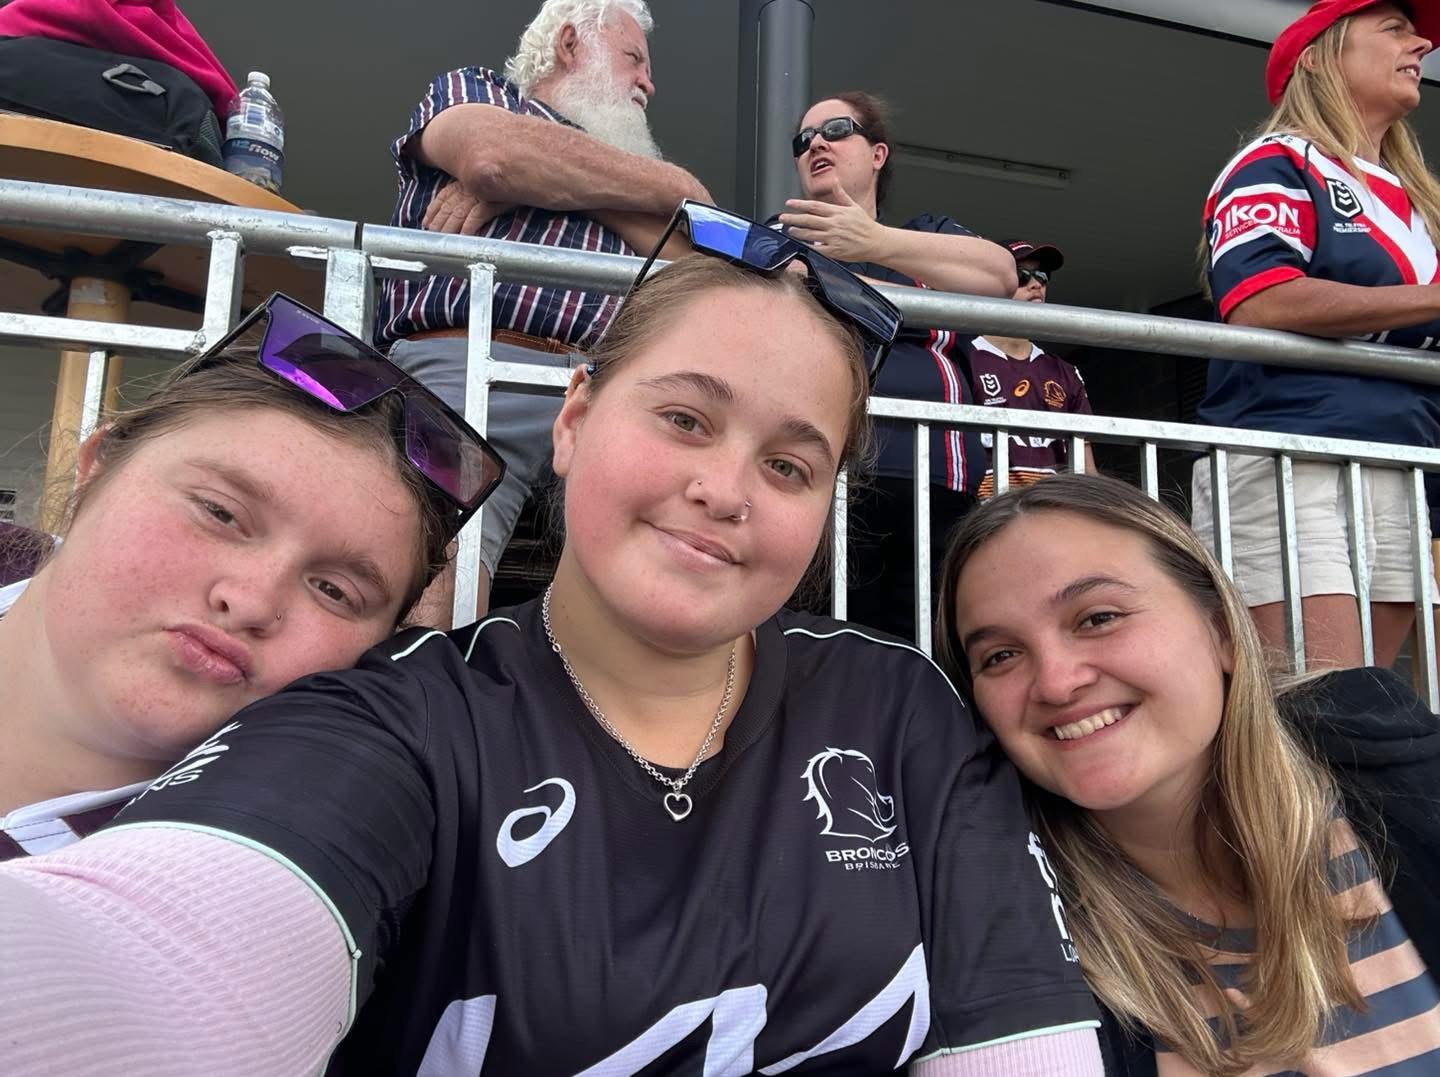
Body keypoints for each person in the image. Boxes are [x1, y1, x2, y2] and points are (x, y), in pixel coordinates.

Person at [0, 215, 1103, 1074]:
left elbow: (1019, 1032)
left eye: (789, 465)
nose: (722, 490)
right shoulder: (398, 717)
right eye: (683, 418)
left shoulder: (895, 701)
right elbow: (172, 967)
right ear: (574, 420)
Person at [936, 473, 1440, 1074]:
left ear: (1223, 631)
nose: (1055, 681)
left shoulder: (1407, 787)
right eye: (1001, 656)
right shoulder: (1000, 926)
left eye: (1097, 617)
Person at [0, 292, 503, 861]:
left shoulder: (256, 884)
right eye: (220, 512)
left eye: (335, 591)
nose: (252, 601)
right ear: (96, 469)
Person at [377, 0, 710, 617]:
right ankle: (418, 706)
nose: (649, 82)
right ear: (567, 44)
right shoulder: (476, 91)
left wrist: (546, 179)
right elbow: (492, 155)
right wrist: (517, 171)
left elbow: (695, 246)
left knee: (659, 568)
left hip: (602, 392)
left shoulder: (638, 166)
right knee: (434, 572)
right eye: (634, 58)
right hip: (470, 363)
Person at [1190, 0, 1440, 670]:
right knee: (1314, 703)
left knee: (1369, 699)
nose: (1420, 44)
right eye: (1394, 29)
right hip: (1291, 453)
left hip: (1402, 459)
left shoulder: (1420, 200)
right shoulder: (1276, 160)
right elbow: (1259, 298)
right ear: (1323, 57)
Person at [777, 90, 1017, 643]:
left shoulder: (923, 233)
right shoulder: (782, 232)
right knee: (815, 643)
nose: (815, 143)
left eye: (836, 130)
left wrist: (874, 243)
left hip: (934, 479)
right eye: (803, 139)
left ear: (878, 153)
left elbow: (1000, 276)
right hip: (821, 473)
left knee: (928, 648)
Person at [962, 240, 1097, 498]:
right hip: (986, 520)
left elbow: (1086, 470)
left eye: (1042, 277)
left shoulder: (1065, 372)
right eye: (1023, 277)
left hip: (1052, 516)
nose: (1036, 285)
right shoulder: (963, 359)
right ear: (993, 285)